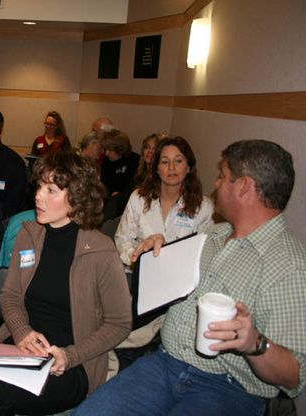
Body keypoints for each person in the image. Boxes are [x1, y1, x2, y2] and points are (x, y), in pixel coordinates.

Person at [74, 139, 306, 416]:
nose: (217, 184)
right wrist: (153, 257)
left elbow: (294, 375)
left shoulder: (288, 264)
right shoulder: (213, 237)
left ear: (244, 187)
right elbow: (168, 290)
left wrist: (253, 343)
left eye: (223, 176)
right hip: (165, 362)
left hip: (226, 387)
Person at [0, 152, 132, 415]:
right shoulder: (29, 235)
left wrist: (69, 355)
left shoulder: (100, 251)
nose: (38, 195)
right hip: (21, 348)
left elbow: (119, 324)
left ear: (78, 196)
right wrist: (23, 331)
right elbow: (11, 295)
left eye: (51, 190)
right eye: (39, 186)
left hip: (69, 365)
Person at [116, 136, 214, 269]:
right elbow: (123, 239)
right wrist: (138, 259)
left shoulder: (204, 207)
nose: (171, 167)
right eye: (165, 162)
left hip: (180, 277)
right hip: (141, 273)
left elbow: (204, 254)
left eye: (178, 161)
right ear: (156, 168)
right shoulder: (138, 198)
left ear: (189, 167)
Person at [100, 129, 140, 221]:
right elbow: (103, 182)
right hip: (109, 197)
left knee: (115, 201)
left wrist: (120, 195)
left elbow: (132, 185)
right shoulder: (107, 160)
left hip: (125, 200)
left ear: (119, 149)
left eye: (109, 150)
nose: (106, 153)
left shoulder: (134, 161)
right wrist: (110, 192)